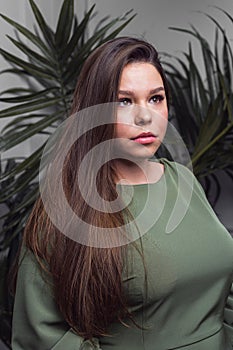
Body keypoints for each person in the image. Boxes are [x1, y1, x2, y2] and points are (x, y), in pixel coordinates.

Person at [11, 37, 233, 350]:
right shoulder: (66, 207)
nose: (146, 117)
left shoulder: (182, 179)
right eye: (124, 101)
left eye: (156, 99)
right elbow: (42, 338)